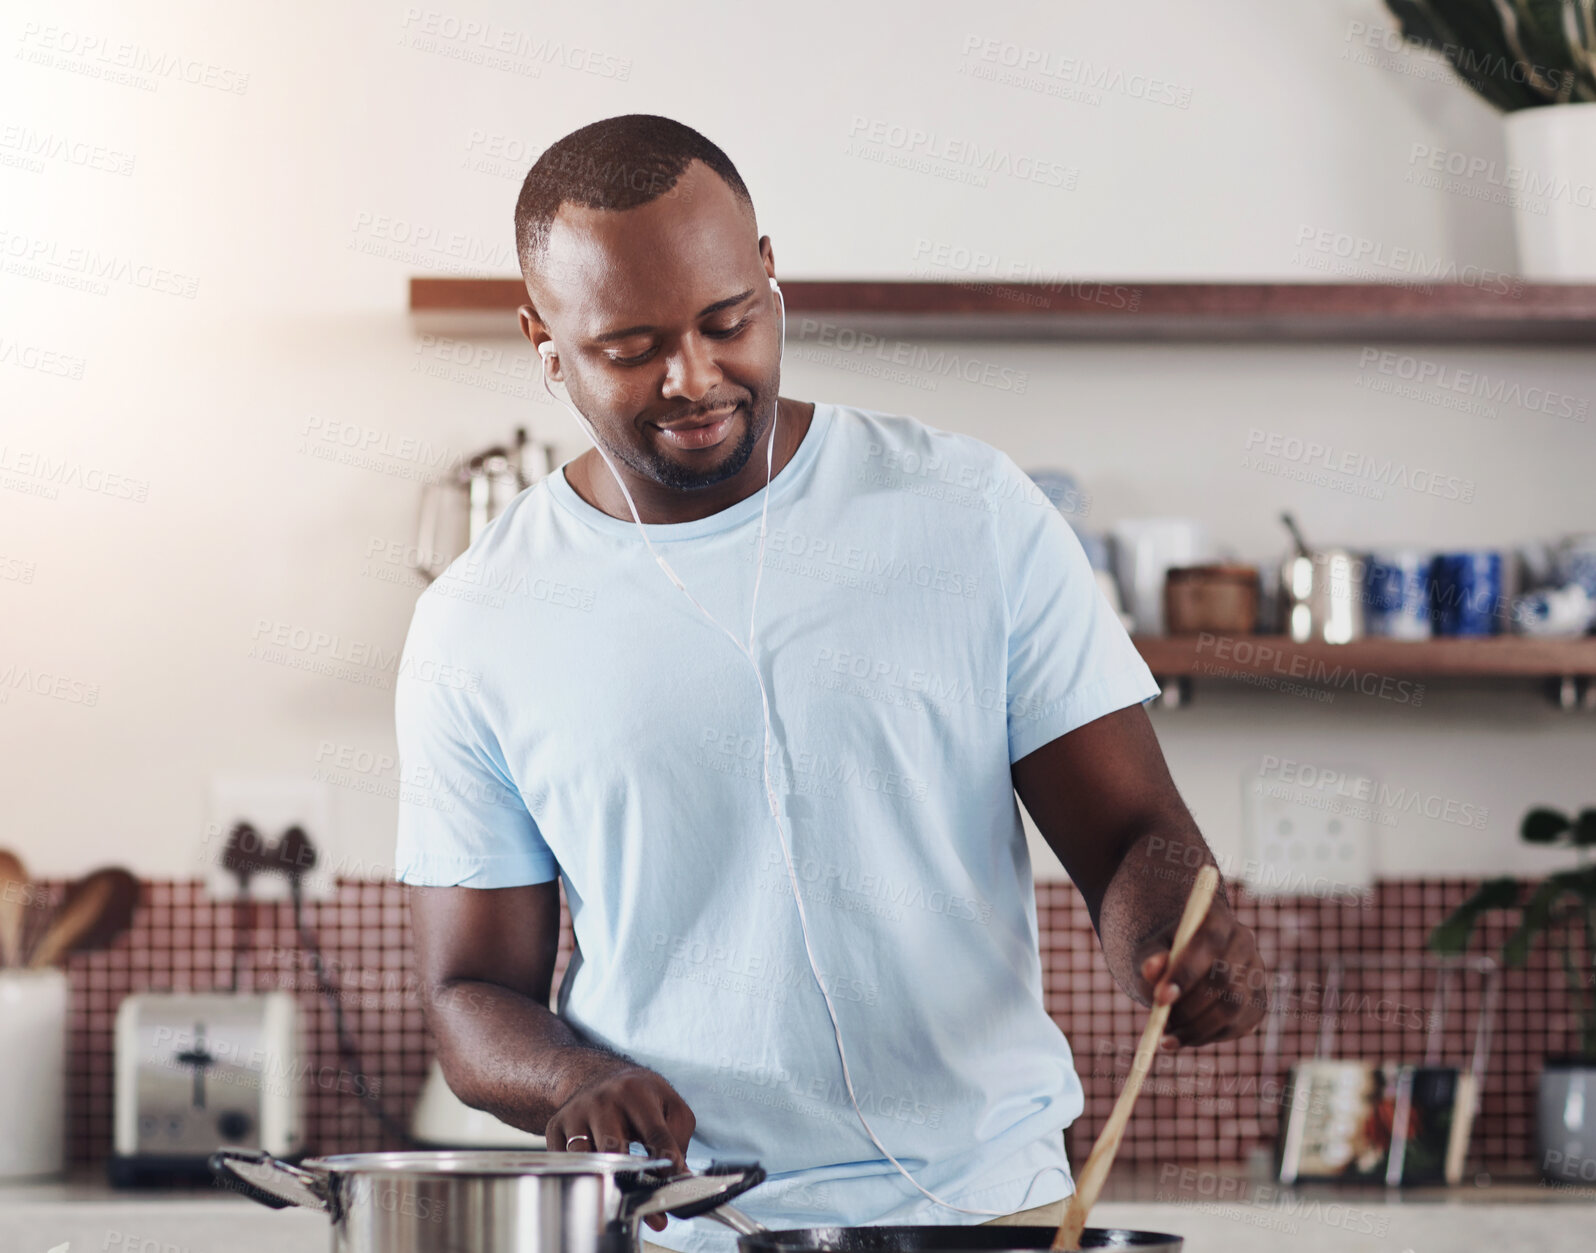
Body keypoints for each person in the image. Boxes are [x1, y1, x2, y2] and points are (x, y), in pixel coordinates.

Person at [396, 114, 1267, 1253]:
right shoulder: (479, 619)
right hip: (690, 1225)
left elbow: (1134, 832)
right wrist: (572, 1076)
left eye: (728, 320)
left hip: (991, 1211)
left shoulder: (969, 511)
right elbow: (469, 993)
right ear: (543, 341)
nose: (694, 377)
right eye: (629, 346)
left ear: (770, 274)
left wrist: (1173, 927)